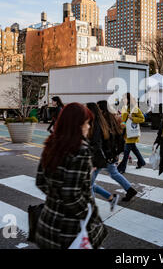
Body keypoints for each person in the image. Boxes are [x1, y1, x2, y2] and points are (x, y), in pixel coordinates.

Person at [35, 103, 108, 249]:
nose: (88, 127)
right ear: (77, 125)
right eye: (86, 123)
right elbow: (71, 195)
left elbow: (40, 182)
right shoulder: (80, 150)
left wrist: (56, 198)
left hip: (48, 223)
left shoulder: (52, 143)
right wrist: (90, 214)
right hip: (69, 229)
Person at [97, 100, 138, 202]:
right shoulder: (113, 119)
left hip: (105, 155)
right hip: (110, 154)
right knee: (114, 173)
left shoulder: (105, 122)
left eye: (98, 108)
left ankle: (96, 203)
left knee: (90, 181)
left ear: (102, 110)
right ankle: (130, 190)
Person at [86, 102, 120, 211]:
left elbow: (96, 144)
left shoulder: (95, 124)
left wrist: (93, 163)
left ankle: (92, 212)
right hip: (98, 159)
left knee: (88, 186)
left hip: (97, 160)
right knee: (89, 184)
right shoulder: (98, 122)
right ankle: (111, 198)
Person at [117, 93, 146, 174]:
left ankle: (122, 168)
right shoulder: (124, 108)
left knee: (126, 152)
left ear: (129, 99)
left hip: (131, 133)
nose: (123, 100)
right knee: (134, 149)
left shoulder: (134, 108)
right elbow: (123, 120)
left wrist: (132, 118)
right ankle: (141, 162)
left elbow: (142, 119)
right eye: (122, 99)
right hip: (126, 133)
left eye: (124, 99)